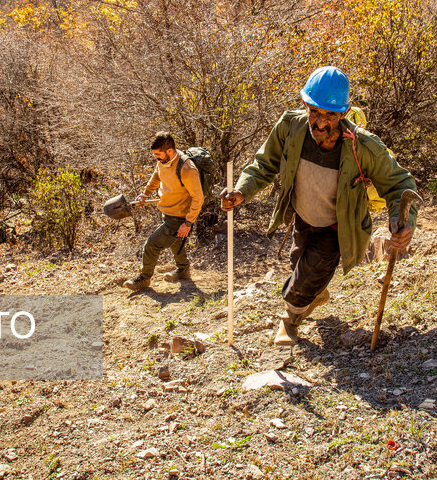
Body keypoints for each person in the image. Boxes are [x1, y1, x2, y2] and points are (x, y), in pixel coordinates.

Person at [220, 66, 418, 346]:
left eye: (330, 115)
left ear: (344, 114)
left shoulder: (363, 146)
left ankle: (289, 321)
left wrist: (404, 221)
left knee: (304, 280)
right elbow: (264, 164)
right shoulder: (291, 127)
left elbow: (400, 185)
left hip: (338, 226)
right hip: (302, 216)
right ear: (305, 105)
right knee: (300, 266)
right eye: (315, 112)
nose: (321, 123)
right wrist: (242, 190)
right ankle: (317, 294)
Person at [123, 132, 204, 291]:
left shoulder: (187, 169)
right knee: (176, 243)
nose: (156, 158)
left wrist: (188, 223)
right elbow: (156, 176)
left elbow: (198, 198)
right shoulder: (162, 162)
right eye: (155, 155)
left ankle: (144, 278)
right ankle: (183, 271)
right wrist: (145, 194)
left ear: (169, 151)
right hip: (167, 211)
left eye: (158, 155)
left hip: (179, 217)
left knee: (152, 245)